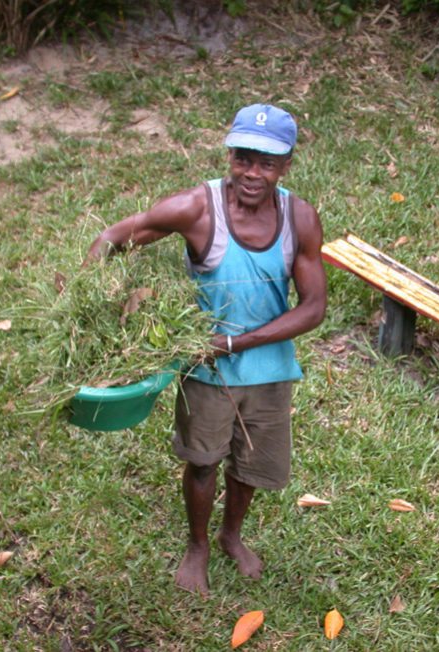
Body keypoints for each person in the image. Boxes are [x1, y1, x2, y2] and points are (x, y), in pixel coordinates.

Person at [84, 104, 327, 595]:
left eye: (266, 162)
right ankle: (197, 546)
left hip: (268, 366)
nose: (251, 173)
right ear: (230, 154)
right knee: (202, 460)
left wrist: (239, 342)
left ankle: (230, 535)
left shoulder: (298, 217)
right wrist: (94, 302)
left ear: (286, 166)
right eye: (242, 158)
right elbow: (110, 238)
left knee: (251, 463)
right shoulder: (198, 208)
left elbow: (314, 307)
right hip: (205, 370)